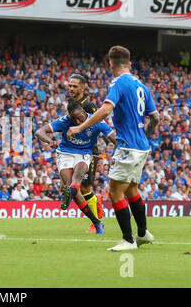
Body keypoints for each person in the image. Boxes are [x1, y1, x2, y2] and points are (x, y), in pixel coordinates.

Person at [67, 45, 160, 251]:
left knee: (114, 192)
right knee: (132, 189)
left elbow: (107, 109)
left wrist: (80, 126)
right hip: (142, 147)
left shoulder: (118, 83)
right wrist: (143, 135)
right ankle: (143, 233)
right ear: (130, 62)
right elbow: (155, 117)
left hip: (127, 146)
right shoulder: (142, 86)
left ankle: (128, 240)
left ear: (110, 63)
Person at [36, 99, 116, 235]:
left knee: (76, 179)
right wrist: (50, 141)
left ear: (84, 112)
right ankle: (96, 222)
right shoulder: (65, 120)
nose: (77, 122)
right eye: (74, 119)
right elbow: (39, 131)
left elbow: (114, 138)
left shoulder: (96, 121)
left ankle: (70, 193)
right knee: (71, 186)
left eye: (79, 118)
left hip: (84, 154)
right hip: (65, 154)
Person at [67, 73, 105, 233]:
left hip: (90, 152)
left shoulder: (88, 105)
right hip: (75, 151)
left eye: (74, 86)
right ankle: (96, 206)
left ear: (83, 88)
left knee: (84, 188)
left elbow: (99, 123)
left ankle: (96, 222)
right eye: (70, 86)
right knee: (78, 186)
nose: (71, 89)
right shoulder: (71, 103)